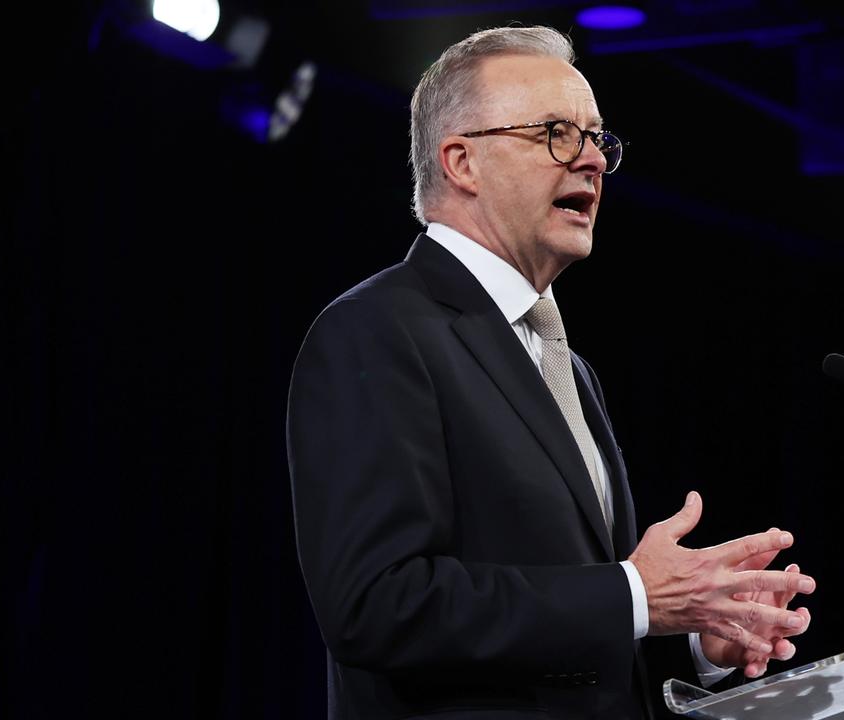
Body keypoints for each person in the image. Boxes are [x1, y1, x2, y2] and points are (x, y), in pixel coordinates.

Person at [286, 25, 815, 719]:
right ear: (461, 162)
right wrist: (633, 596)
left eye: (598, 139)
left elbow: (574, 625)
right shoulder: (375, 332)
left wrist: (694, 632)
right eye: (557, 134)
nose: (593, 160)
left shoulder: (564, 364)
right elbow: (377, 605)